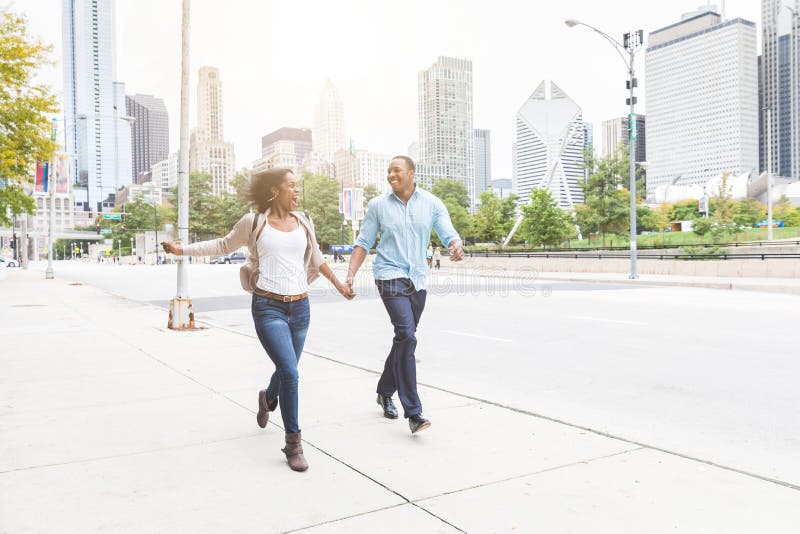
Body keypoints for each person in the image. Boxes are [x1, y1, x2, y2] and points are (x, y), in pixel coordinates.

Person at [161, 168, 352, 471]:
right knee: (290, 372)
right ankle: (293, 444)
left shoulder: (304, 221)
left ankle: (268, 398)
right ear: (275, 190)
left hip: (300, 308)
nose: (297, 192)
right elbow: (222, 246)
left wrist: (340, 285)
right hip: (268, 308)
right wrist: (182, 250)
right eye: (292, 186)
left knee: (287, 369)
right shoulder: (254, 223)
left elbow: (317, 257)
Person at [346, 155, 464, 434]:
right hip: (388, 275)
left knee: (404, 339)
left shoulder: (432, 203)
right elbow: (363, 242)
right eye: (388, 171)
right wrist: (350, 274)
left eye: (396, 170)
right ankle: (414, 412)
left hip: (418, 280)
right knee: (407, 335)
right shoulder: (378, 206)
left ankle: (385, 390)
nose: (390, 175)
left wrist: (456, 245)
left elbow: (448, 232)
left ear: (412, 173)